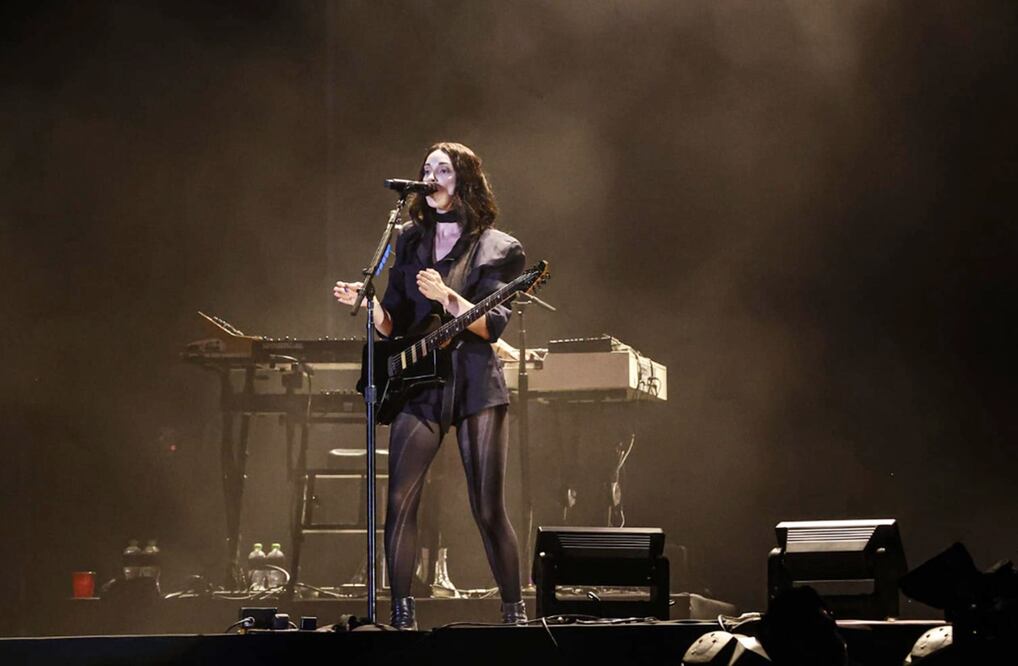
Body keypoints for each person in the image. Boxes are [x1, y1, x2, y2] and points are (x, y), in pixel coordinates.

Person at [333, 142, 527, 629]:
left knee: (487, 506)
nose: (432, 176)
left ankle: (515, 612)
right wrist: (372, 308)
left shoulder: (499, 247)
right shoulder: (407, 238)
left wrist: (448, 296)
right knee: (400, 500)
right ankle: (401, 616)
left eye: (443, 169)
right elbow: (395, 322)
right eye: (426, 169)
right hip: (420, 384)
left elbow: (491, 327)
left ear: (464, 178)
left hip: (475, 383)